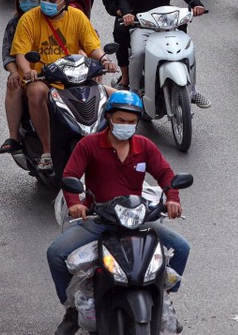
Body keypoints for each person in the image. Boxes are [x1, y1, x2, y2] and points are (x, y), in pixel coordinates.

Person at [49, 91, 191, 335]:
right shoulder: (89, 145)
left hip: (137, 220)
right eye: (120, 120)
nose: (125, 126)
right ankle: (72, 309)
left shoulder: (144, 146)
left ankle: (164, 299)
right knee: (56, 253)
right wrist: (75, 202)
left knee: (181, 247)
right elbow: (70, 176)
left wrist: (173, 199)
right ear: (109, 118)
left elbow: (166, 175)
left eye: (131, 121)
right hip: (99, 219)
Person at [12, 0, 111, 171]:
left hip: (76, 78)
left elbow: (92, 46)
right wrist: (27, 71)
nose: (46, 1)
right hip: (43, 79)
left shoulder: (77, 16)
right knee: (36, 91)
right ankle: (47, 151)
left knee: (119, 98)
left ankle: (114, 149)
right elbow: (21, 53)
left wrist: (104, 59)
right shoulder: (29, 19)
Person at [120, 0, 209, 108]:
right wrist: (127, 14)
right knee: (138, 53)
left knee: (188, 50)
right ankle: (134, 92)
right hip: (143, 26)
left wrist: (197, 5)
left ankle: (193, 91)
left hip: (169, 26)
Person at [0, 0, 42, 155]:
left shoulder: (53, 19)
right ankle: (13, 137)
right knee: (13, 85)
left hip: (53, 71)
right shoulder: (14, 24)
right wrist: (15, 72)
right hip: (26, 74)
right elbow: (8, 55)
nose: (28, 2)